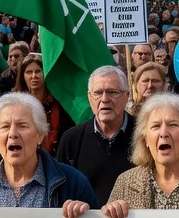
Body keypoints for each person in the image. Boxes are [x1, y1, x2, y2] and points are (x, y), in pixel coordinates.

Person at [56, 66, 135, 206]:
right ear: (89, 97)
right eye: (98, 93)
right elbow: (60, 190)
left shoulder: (144, 134)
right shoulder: (71, 139)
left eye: (112, 92)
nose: (105, 99)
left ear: (126, 96)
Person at [13, 54, 70, 153]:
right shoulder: (15, 103)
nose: (34, 76)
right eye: (29, 72)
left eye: (38, 71)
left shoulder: (59, 103)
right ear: (23, 76)